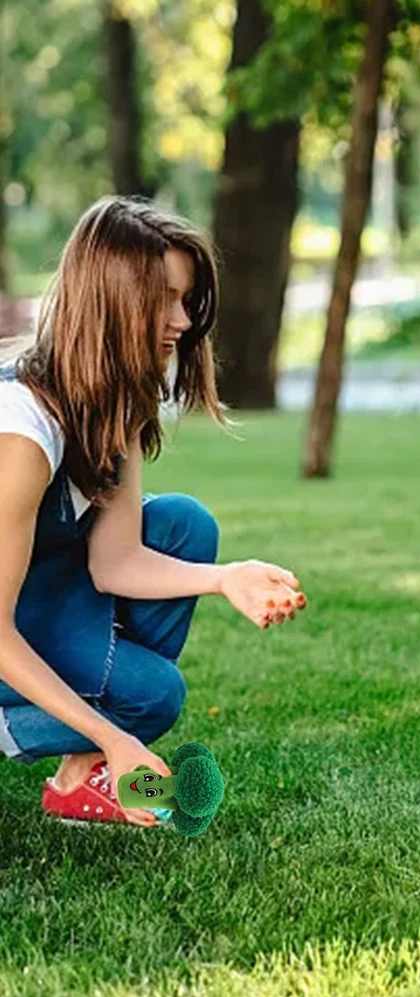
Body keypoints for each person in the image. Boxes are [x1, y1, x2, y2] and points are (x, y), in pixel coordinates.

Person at [0, 196, 305, 827]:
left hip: (36, 588)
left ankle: (79, 777)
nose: (183, 321)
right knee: (150, 698)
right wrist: (114, 737)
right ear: (110, 300)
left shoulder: (114, 403)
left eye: (186, 300)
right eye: (164, 299)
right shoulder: (21, 434)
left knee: (184, 525)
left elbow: (117, 563)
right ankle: (87, 748)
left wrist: (226, 577)